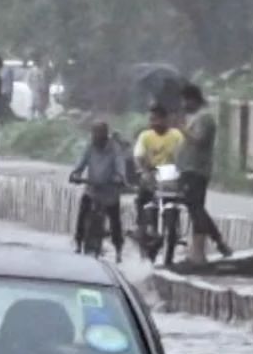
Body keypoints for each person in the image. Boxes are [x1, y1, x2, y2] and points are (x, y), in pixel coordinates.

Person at [177, 84, 232, 262]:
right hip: (189, 169)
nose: (183, 104)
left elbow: (200, 141)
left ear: (193, 99)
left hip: (196, 170)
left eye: (185, 100)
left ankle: (200, 252)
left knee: (196, 210)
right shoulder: (197, 117)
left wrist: (182, 129)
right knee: (196, 209)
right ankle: (216, 242)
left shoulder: (205, 118)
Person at [70, 121, 128, 261]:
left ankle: (118, 248)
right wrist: (76, 175)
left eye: (99, 134)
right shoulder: (89, 147)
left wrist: (119, 177)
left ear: (105, 134)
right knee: (83, 213)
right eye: (94, 134)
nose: (96, 137)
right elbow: (80, 164)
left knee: (115, 221)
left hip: (110, 192)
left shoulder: (115, 149)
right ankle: (78, 242)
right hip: (92, 189)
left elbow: (120, 166)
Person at [132, 105, 185, 246]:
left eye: (157, 119)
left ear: (165, 119)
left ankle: (177, 230)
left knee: (179, 199)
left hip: (171, 174)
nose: (154, 123)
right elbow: (138, 156)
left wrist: (185, 168)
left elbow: (184, 154)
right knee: (141, 199)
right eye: (152, 120)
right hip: (152, 173)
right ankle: (142, 226)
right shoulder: (145, 136)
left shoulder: (176, 135)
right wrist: (143, 171)